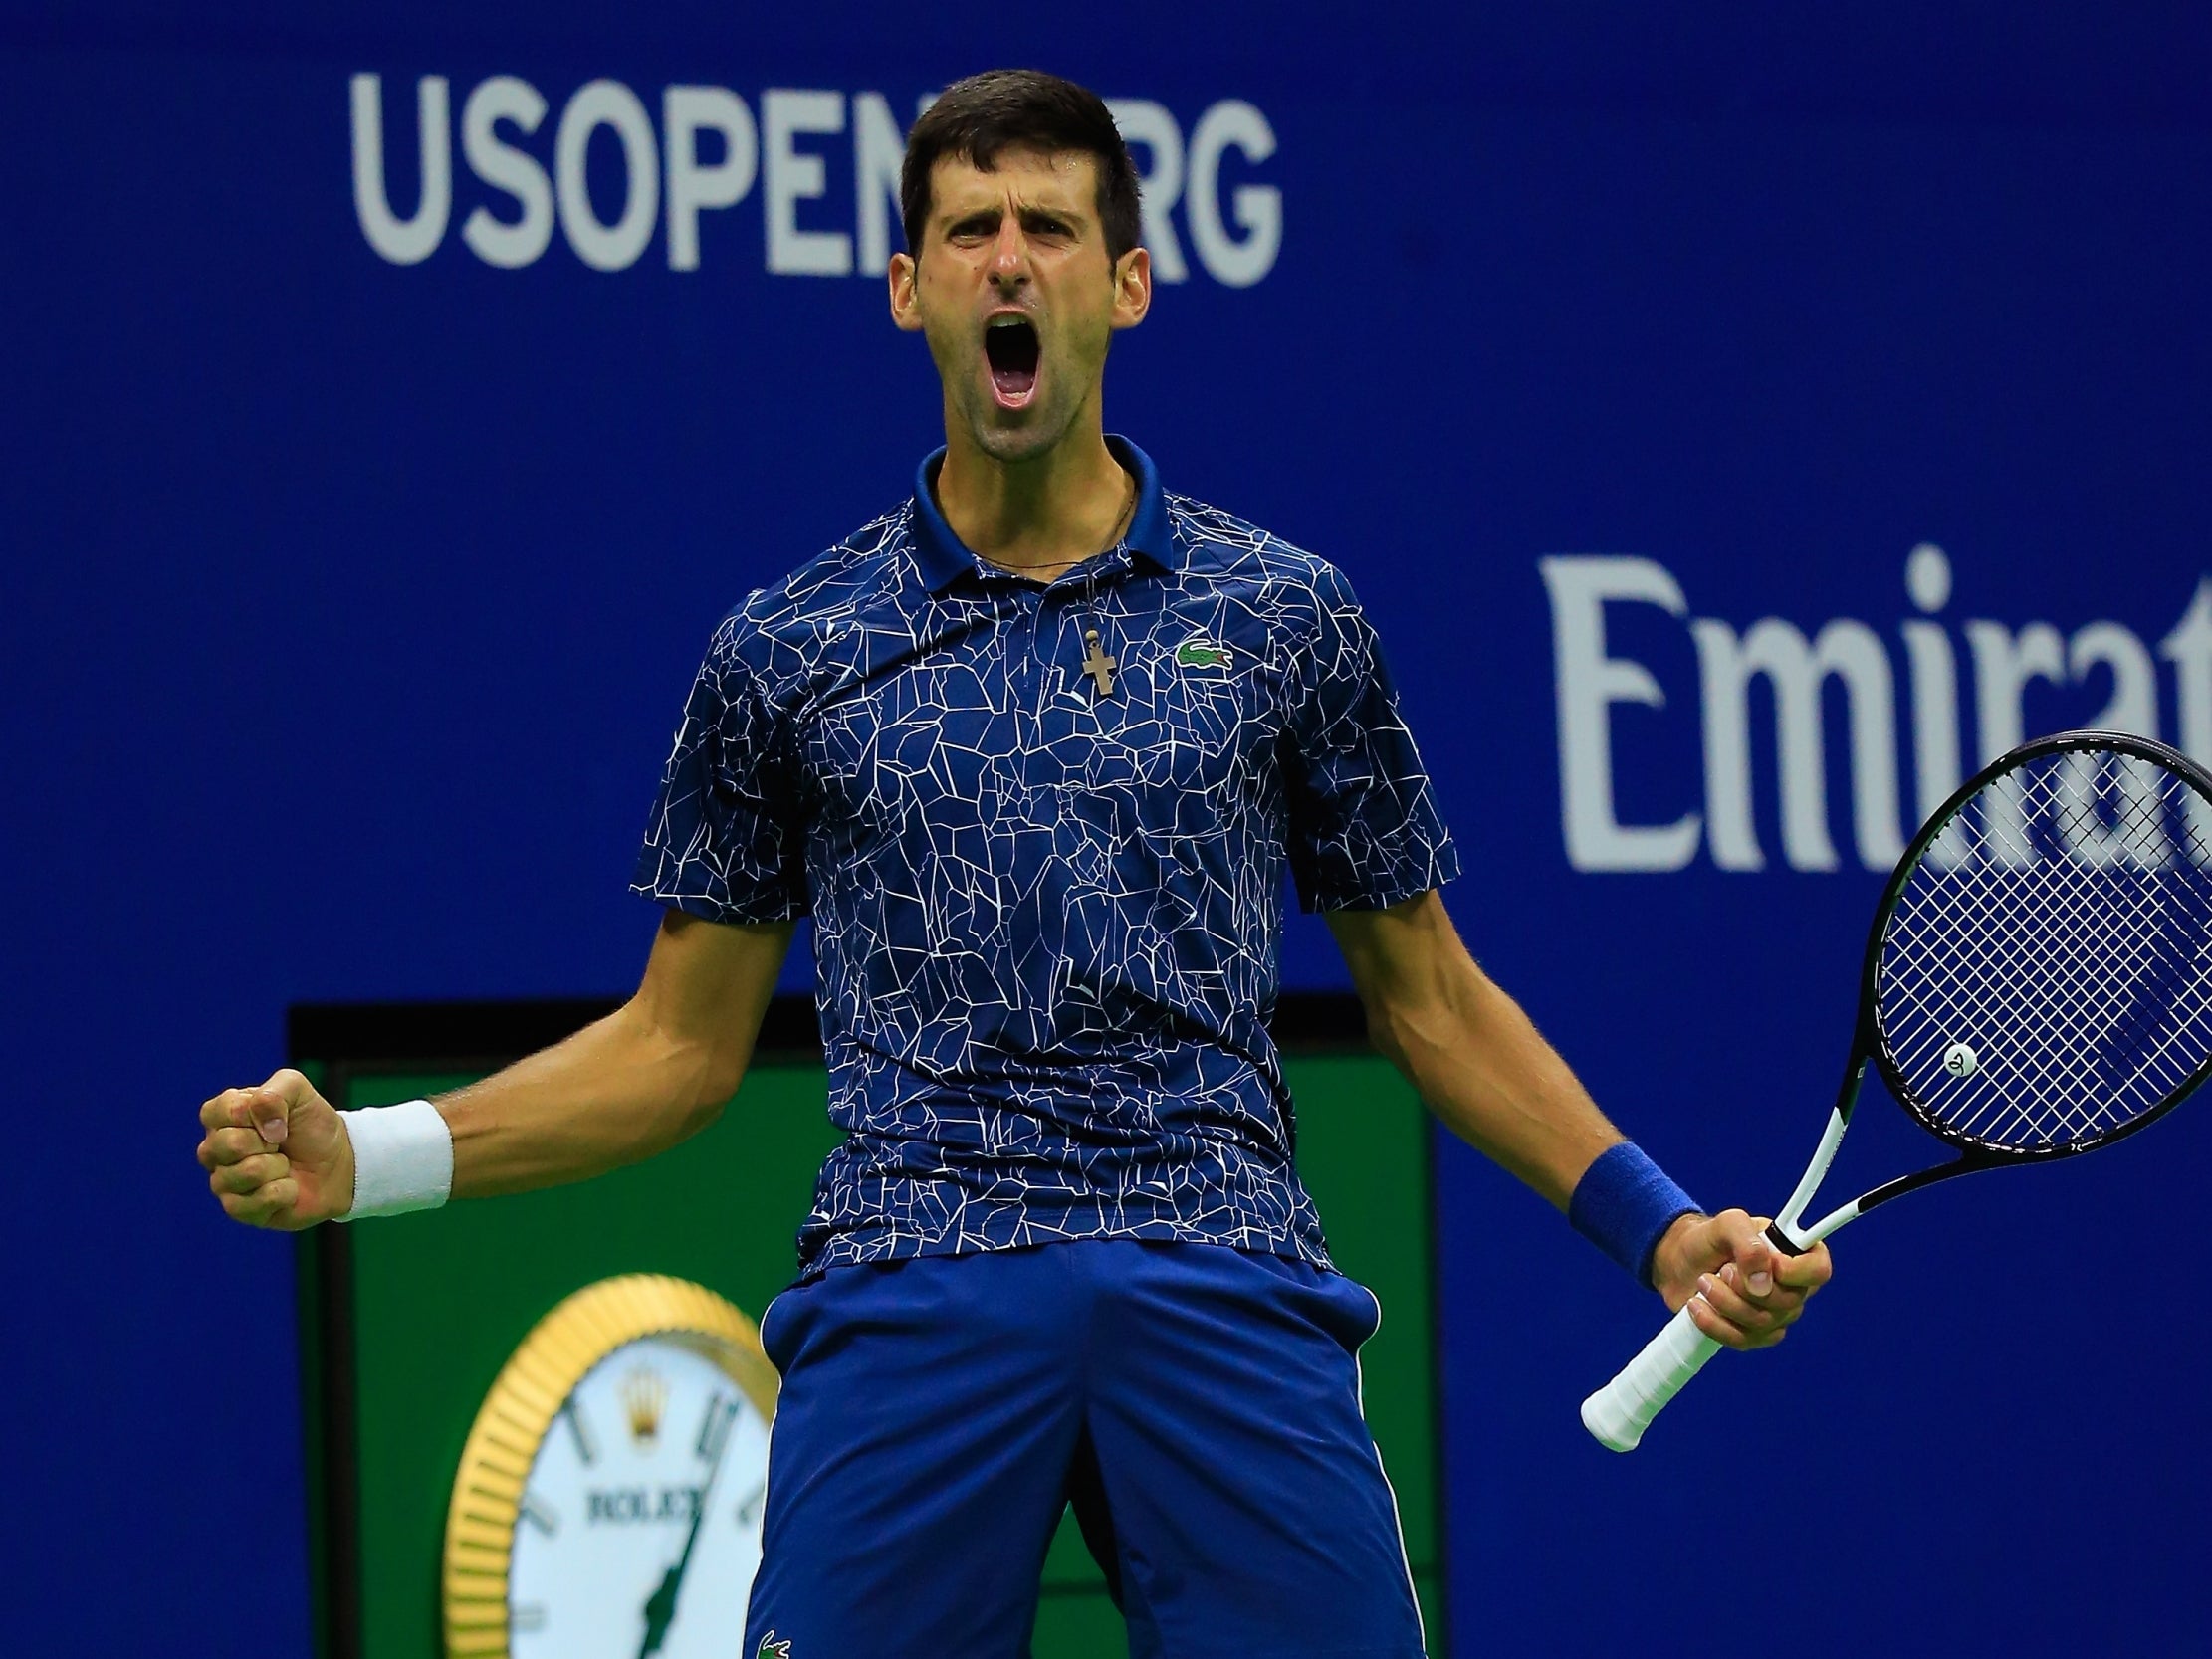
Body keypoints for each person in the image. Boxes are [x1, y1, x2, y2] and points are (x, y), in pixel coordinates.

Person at [198, 69, 1831, 1658]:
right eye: (969, 229)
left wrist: (1660, 1228)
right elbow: (677, 1050)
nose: (1007, 261)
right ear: (908, 289)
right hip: (916, 1277)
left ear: (1123, 285)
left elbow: (1431, 998)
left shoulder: (1282, 619)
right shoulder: (786, 650)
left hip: (1218, 1263)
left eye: (1048, 228)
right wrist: (371, 1153)